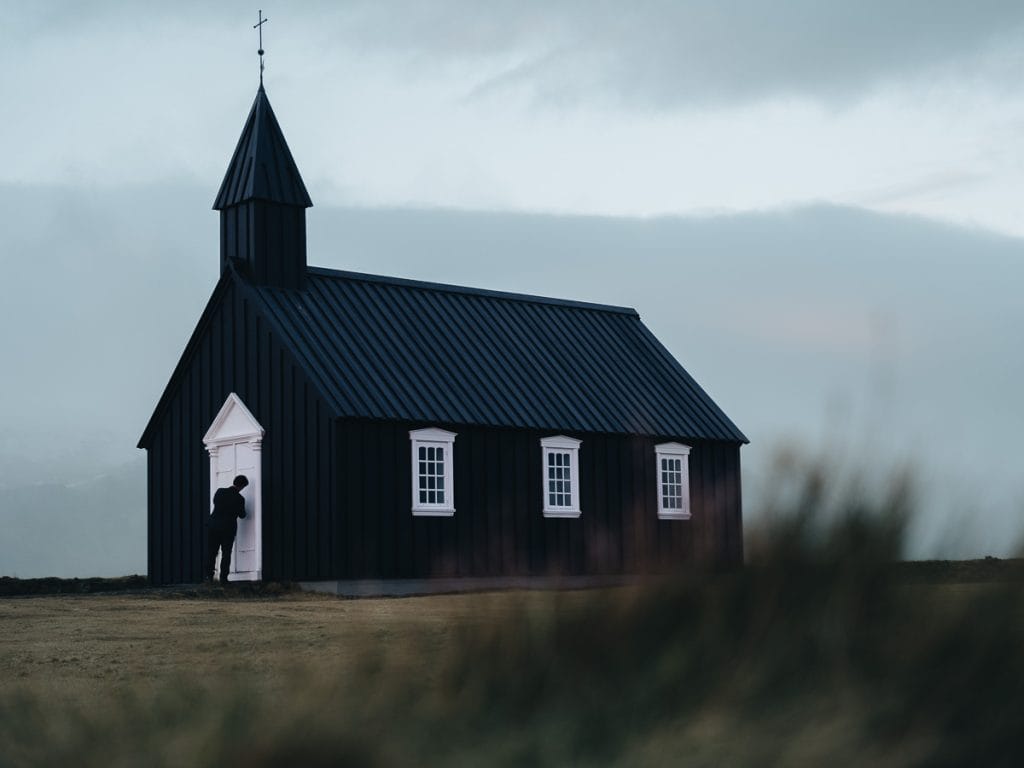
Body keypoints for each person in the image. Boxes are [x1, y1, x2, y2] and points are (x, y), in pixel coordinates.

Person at [205, 474, 248, 583]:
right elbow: (242, 515)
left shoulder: (220, 492)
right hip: (228, 529)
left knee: (212, 552)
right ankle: (223, 578)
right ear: (242, 486)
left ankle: (209, 576)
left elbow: (215, 502)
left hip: (213, 526)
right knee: (226, 553)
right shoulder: (240, 499)